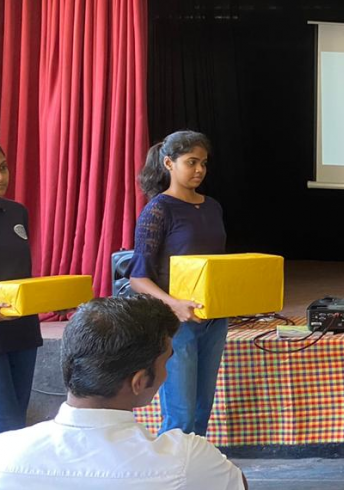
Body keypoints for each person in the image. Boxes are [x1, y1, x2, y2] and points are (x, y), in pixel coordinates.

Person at [0, 295, 246, 489]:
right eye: (166, 362)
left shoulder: (2, 453)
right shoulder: (189, 460)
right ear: (139, 382)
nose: (167, 372)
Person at [129, 130, 227, 436]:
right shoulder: (158, 209)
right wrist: (175, 304)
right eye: (191, 162)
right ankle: (172, 466)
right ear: (169, 163)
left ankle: (193, 463)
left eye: (204, 163)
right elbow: (137, 278)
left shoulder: (212, 206)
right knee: (181, 414)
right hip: (176, 324)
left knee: (202, 409)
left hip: (214, 319)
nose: (199, 170)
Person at [0, 141, 41, 436]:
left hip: (22, 329)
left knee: (17, 425)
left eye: (3, 167)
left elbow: (21, 270)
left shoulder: (16, 212)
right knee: (5, 424)